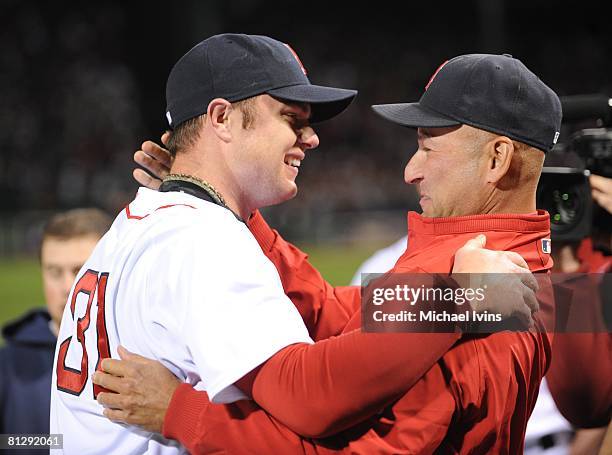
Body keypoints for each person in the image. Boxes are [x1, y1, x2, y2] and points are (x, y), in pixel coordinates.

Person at [50, 36, 534, 454]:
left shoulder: (134, 225)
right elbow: (319, 373)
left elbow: (341, 328)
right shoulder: (206, 238)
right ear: (221, 118)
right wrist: (454, 300)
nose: (311, 138)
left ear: (497, 158)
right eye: (289, 116)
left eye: (428, 145)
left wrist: (181, 411)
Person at [0, 208, 111, 442]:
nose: (66, 287)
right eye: (54, 272)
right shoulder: (7, 367)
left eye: (80, 271)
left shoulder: (141, 360)